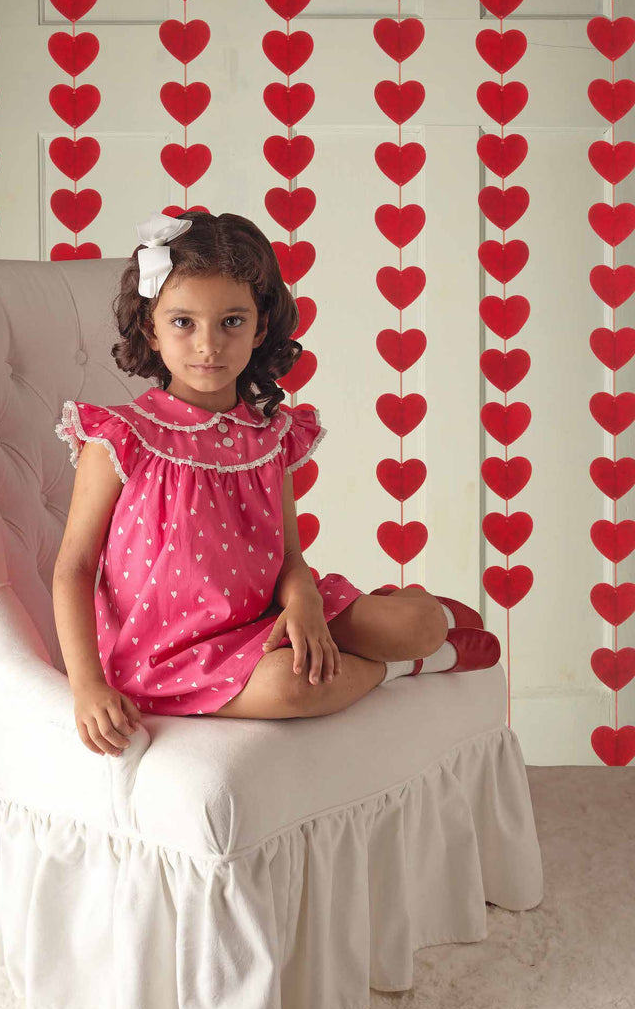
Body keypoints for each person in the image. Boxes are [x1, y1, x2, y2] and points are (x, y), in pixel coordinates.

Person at [52, 210, 500, 758]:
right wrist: (87, 685)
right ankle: (409, 664)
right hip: (170, 653)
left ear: (261, 325)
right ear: (151, 326)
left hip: (268, 617)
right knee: (295, 683)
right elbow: (74, 567)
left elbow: (288, 553)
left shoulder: (269, 438)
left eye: (232, 321)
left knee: (421, 620)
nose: (208, 345)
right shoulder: (122, 438)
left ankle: (427, 631)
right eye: (183, 322)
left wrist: (305, 600)